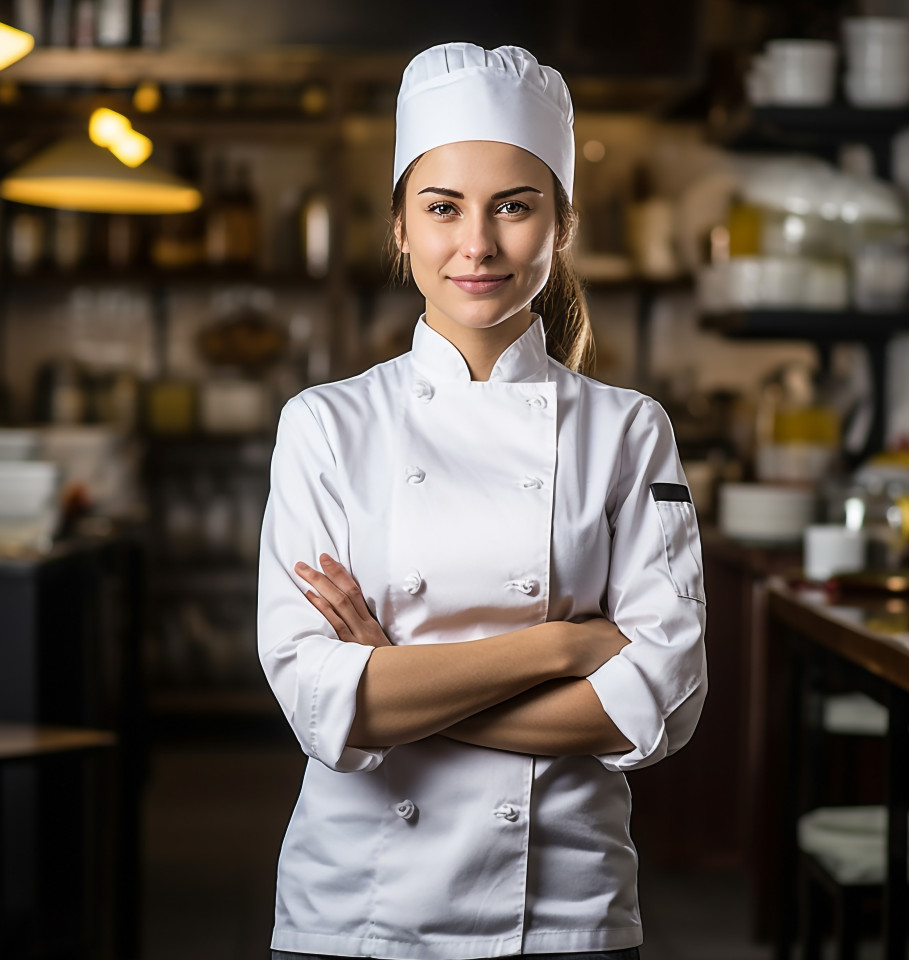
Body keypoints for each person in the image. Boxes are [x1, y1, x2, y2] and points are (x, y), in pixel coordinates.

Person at [258, 41, 708, 960]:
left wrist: (392, 679)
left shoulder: (627, 430)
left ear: (562, 226)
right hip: (355, 909)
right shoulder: (325, 425)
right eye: (442, 208)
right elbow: (317, 699)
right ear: (399, 230)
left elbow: (659, 703)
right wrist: (564, 648)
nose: (477, 243)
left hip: (565, 908)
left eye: (514, 206)